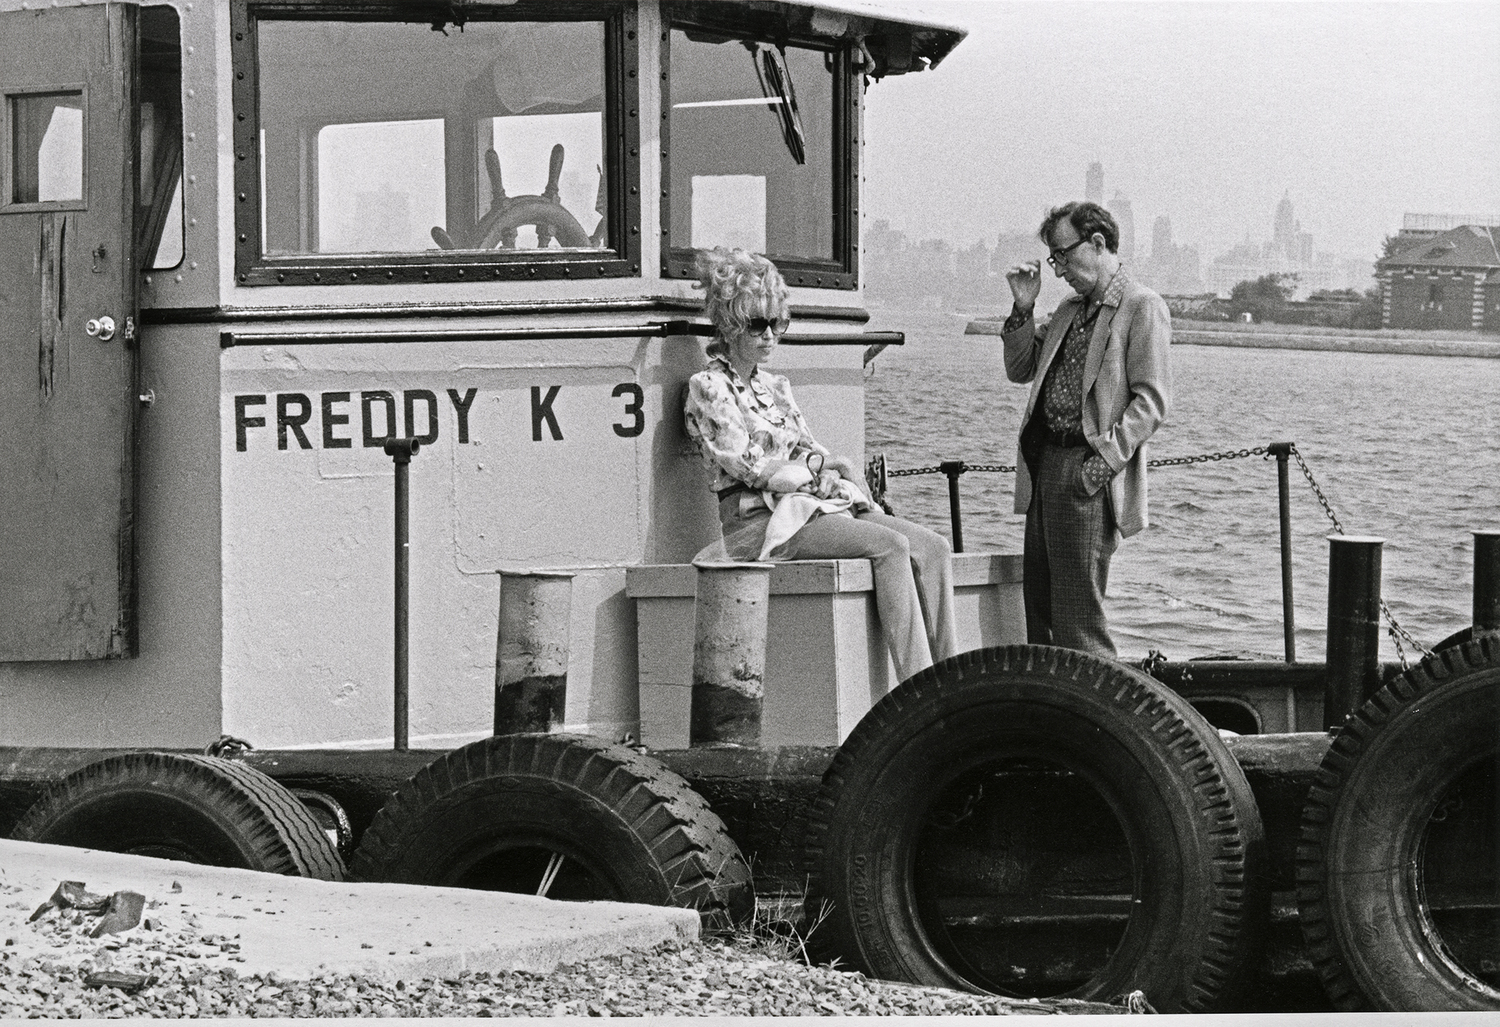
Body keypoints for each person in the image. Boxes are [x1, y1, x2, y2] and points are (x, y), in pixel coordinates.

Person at [683, 247, 958, 682]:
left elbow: (810, 449)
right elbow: (748, 466)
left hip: (807, 508)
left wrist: (828, 470)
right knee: (891, 547)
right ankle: (920, 688)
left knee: (934, 547)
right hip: (759, 525)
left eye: (778, 323)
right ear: (731, 324)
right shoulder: (710, 387)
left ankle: (952, 682)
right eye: (758, 324)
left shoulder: (776, 387)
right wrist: (814, 472)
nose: (770, 334)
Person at [1001, 201, 1172, 659]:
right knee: (1040, 609)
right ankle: (1055, 717)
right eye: (1053, 260)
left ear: (1097, 243)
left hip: (1086, 472)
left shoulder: (1142, 306)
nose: (1058, 271)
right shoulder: (1067, 311)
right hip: (1045, 466)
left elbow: (1151, 401)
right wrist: (1023, 308)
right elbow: (1020, 369)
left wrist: (1101, 467)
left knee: (1079, 621)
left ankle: (1099, 720)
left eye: (1062, 256)